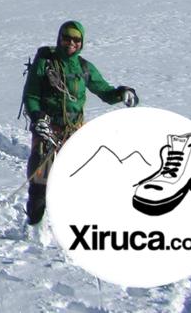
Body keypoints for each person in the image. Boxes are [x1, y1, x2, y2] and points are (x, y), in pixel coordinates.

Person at [22, 20, 139, 225]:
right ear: (59, 38)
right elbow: (31, 94)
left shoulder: (84, 67)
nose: (71, 43)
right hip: (47, 128)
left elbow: (105, 91)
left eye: (76, 39)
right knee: (40, 179)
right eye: (66, 38)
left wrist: (122, 93)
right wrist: (37, 116)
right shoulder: (45, 62)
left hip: (74, 129)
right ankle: (34, 224)